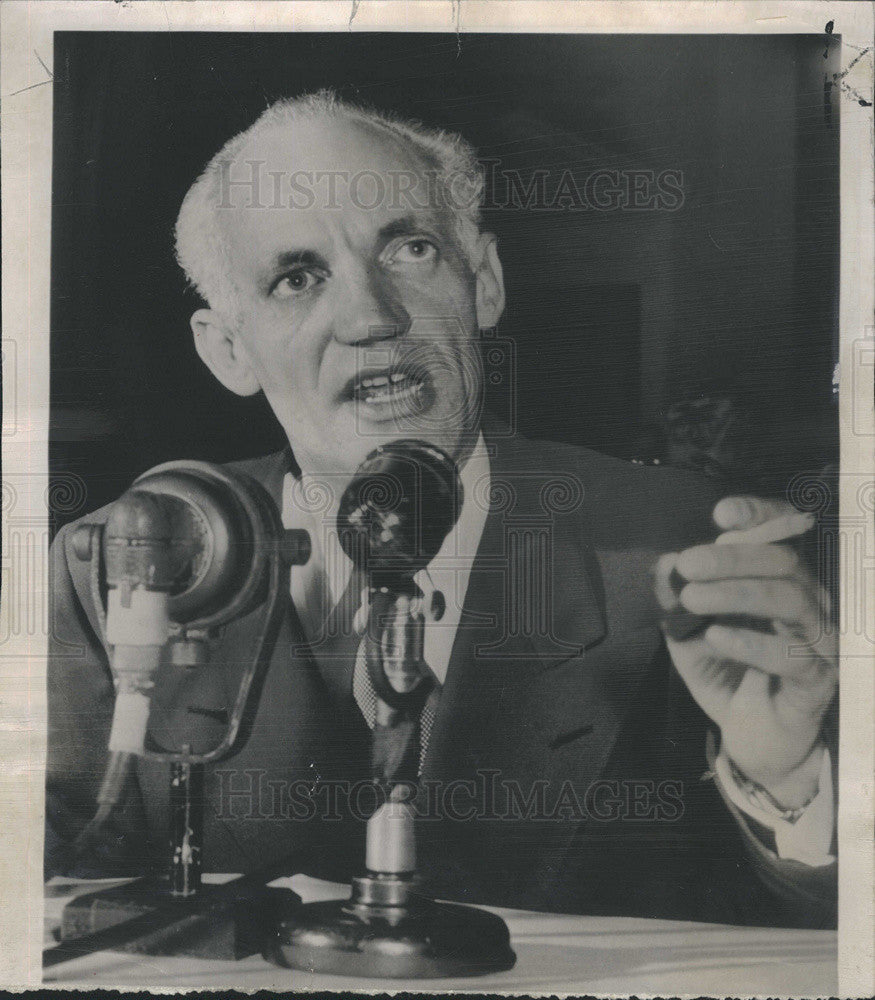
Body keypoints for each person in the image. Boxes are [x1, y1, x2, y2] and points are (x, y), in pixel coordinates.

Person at [46, 91, 837, 928]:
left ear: (483, 283)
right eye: (296, 278)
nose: (370, 317)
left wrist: (785, 780)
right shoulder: (121, 565)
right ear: (227, 349)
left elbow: (823, 932)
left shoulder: (696, 550)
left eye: (410, 249)